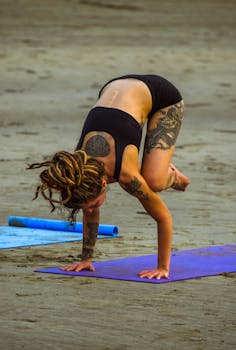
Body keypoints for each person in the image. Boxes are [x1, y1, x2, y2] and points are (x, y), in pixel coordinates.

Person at [28, 74, 190, 279]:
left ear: (104, 182)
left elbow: (163, 217)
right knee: (94, 193)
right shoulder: (80, 169)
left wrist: (162, 267)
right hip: (115, 89)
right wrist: (86, 260)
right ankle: (157, 162)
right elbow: (88, 206)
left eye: (94, 205)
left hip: (162, 97)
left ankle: (171, 174)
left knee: (153, 181)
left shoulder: (127, 176)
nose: (90, 210)